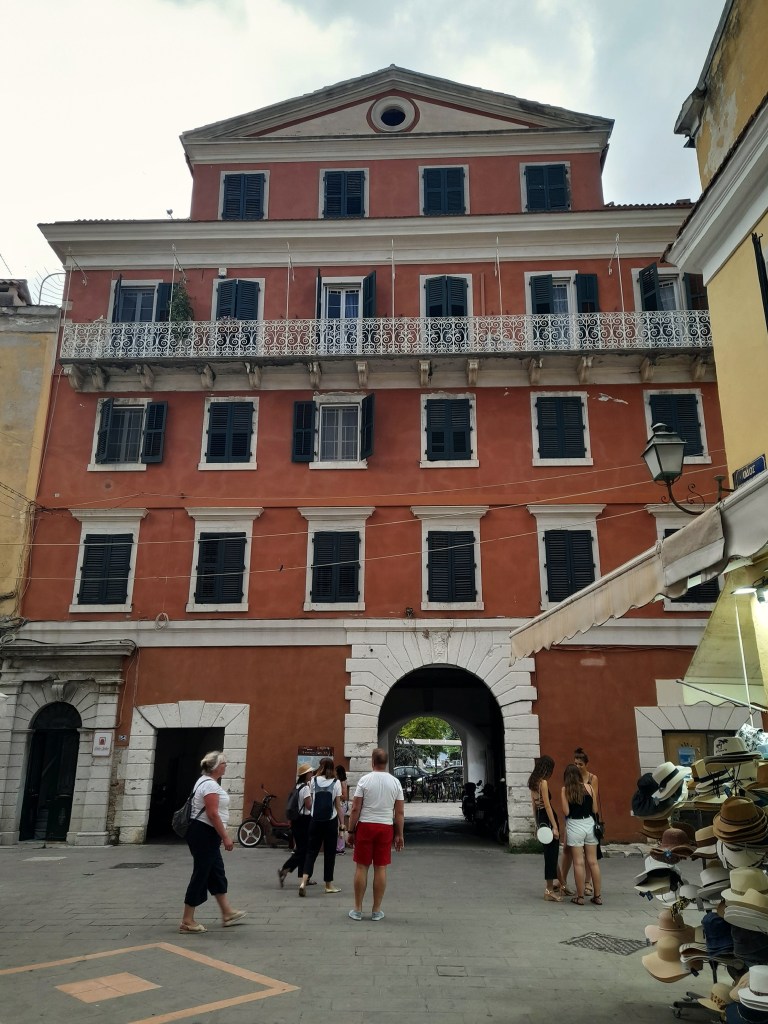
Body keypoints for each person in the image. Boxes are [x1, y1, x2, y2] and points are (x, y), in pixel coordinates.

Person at [180, 750, 246, 933]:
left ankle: (227, 912)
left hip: (204, 833)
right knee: (201, 873)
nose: (226, 766)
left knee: (216, 871)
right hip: (204, 833)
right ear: (216, 767)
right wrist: (225, 836)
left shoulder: (205, 782)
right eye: (224, 763)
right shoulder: (209, 785)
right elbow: (212, 813)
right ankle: (187, 920)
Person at [346, 747, 404, 922]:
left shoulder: (364, 781)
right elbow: (399, 813)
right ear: (386, 763)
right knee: (381, 867)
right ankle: (376, 910)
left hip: (366, 826)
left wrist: (350, 830)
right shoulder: (395, 783)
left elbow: (355, 808)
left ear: (372, 761)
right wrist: (399, 834)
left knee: (362, 867)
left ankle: (357, 909)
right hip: (385, 827)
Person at [299, 757, 344, 896]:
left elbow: (312, 800)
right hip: (330, 821)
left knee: (311, 852)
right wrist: (342, 824)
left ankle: (303, 881)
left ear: (321, 767)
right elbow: (338, 805)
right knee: (330, 854)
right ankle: (328, 885)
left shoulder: (313, 781)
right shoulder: (336, 783)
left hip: (315, 821)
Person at [560, 762, 602, 906]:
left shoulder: (565, 790)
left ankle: (580, 897)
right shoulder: (589, 787)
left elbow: (566, 812)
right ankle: (597, 896)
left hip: (574, 825)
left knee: (578, 862)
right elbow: (595, 809)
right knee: (593, 862)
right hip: (589, 824)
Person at [527, 755, 562, 902]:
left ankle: (563, 884)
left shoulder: (532, 782)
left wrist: (536, 824)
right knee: (551, 855)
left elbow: (534, 806)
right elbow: (547, 806)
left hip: (541, 819)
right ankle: (549, 890)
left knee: (551, 853)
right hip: (548, 818)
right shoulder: (543, 783)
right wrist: (554, 826)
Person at [278, 763, 313, 888]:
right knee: (304, 850)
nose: (312, 774)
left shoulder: (297, 787)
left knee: (302, 849)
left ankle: (303, 878)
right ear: (306, 775)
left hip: (296, 821)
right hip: (305, 820)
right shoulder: (305, 788)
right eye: (310, 772)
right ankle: (285, 869)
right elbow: (309, 805)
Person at [574, 747, 600, 896]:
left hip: (589, 816)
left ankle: (588, 883)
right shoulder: (573, 778)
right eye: (575, 763)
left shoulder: (592, 778)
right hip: (576, 816)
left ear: (586, 764)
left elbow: (594, 800)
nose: (578, 766)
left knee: (591, 854)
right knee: (578, 853)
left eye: (580, 764)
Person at [336, 764, 349, 854]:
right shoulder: (340, 781)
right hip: (340, 805)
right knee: (339, 826)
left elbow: (344, 796)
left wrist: (336, 795)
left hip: (341, 805)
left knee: (340, 826)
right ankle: (339, 847)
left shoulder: (342, 782)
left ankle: (340, 848)